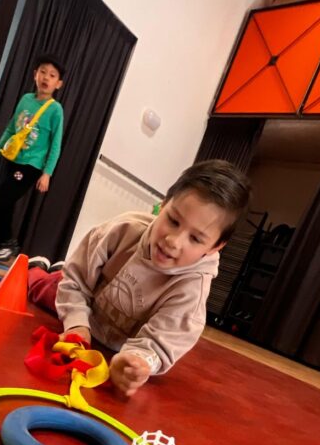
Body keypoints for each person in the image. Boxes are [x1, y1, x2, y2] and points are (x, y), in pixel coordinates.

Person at [27, 159, 251, 396]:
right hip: (87, 299)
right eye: (173, 221)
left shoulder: (192, 289)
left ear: (216, 246)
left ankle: (54, 271)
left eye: (195, 239)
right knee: (40, 287)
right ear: (163, 206)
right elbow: (74, 281)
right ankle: (37, 267)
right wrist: (77, 324)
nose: (173, 241)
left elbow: (161, 344)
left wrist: (138, 362)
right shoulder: (123, 230)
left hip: (116, 339)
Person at [0, 56, 65, 263]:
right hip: (14, 159)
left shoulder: (55, 109)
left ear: (58, 84)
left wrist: (47, 173)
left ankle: (8, 244)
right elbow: (11, 128)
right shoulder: (26, 99)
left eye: (52, 76)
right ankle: (4, 245)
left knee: (2, 197)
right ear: (35, 74)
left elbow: (56, 144)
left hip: (31, 165)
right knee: (3, 199)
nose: (46, 78)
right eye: (43, 72)